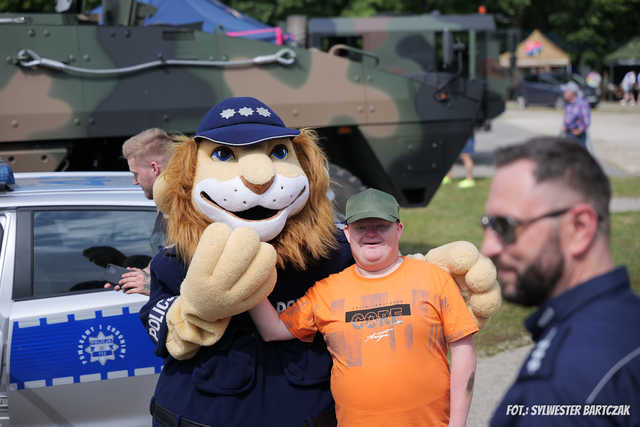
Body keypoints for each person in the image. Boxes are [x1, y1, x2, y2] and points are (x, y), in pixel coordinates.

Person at [249, 188, 479, 427]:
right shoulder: (328, 291)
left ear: (398, 229)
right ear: (347, 233)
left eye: (381, 226)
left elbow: (464, 350)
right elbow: (273, 330)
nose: (371, 234)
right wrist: (246, 279)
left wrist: (458, 423)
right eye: (361, 227)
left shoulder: (434, 278)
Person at [481, 137, 640, 426]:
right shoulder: (628, 322)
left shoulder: (556, 390)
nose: (488, 247)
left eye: (505, 226)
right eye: (488, 225)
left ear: (580, 228)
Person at [105, 128, 173, 295]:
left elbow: (196, 281)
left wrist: (151, 286)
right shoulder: (165, 205)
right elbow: (164, 255)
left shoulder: (189, 210)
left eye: (136, 174)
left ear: (154, 169)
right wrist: (143, 275)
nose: (135, 182)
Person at [560, 81, 591, 149]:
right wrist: (564, 126)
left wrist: (580, 130)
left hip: (578, 136)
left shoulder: (582, 104)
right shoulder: (568, 104)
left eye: (566, 92)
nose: (564, 93)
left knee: (579, 156)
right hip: (568, 134)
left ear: (572, 93)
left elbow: (586, 121)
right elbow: (567, 118)